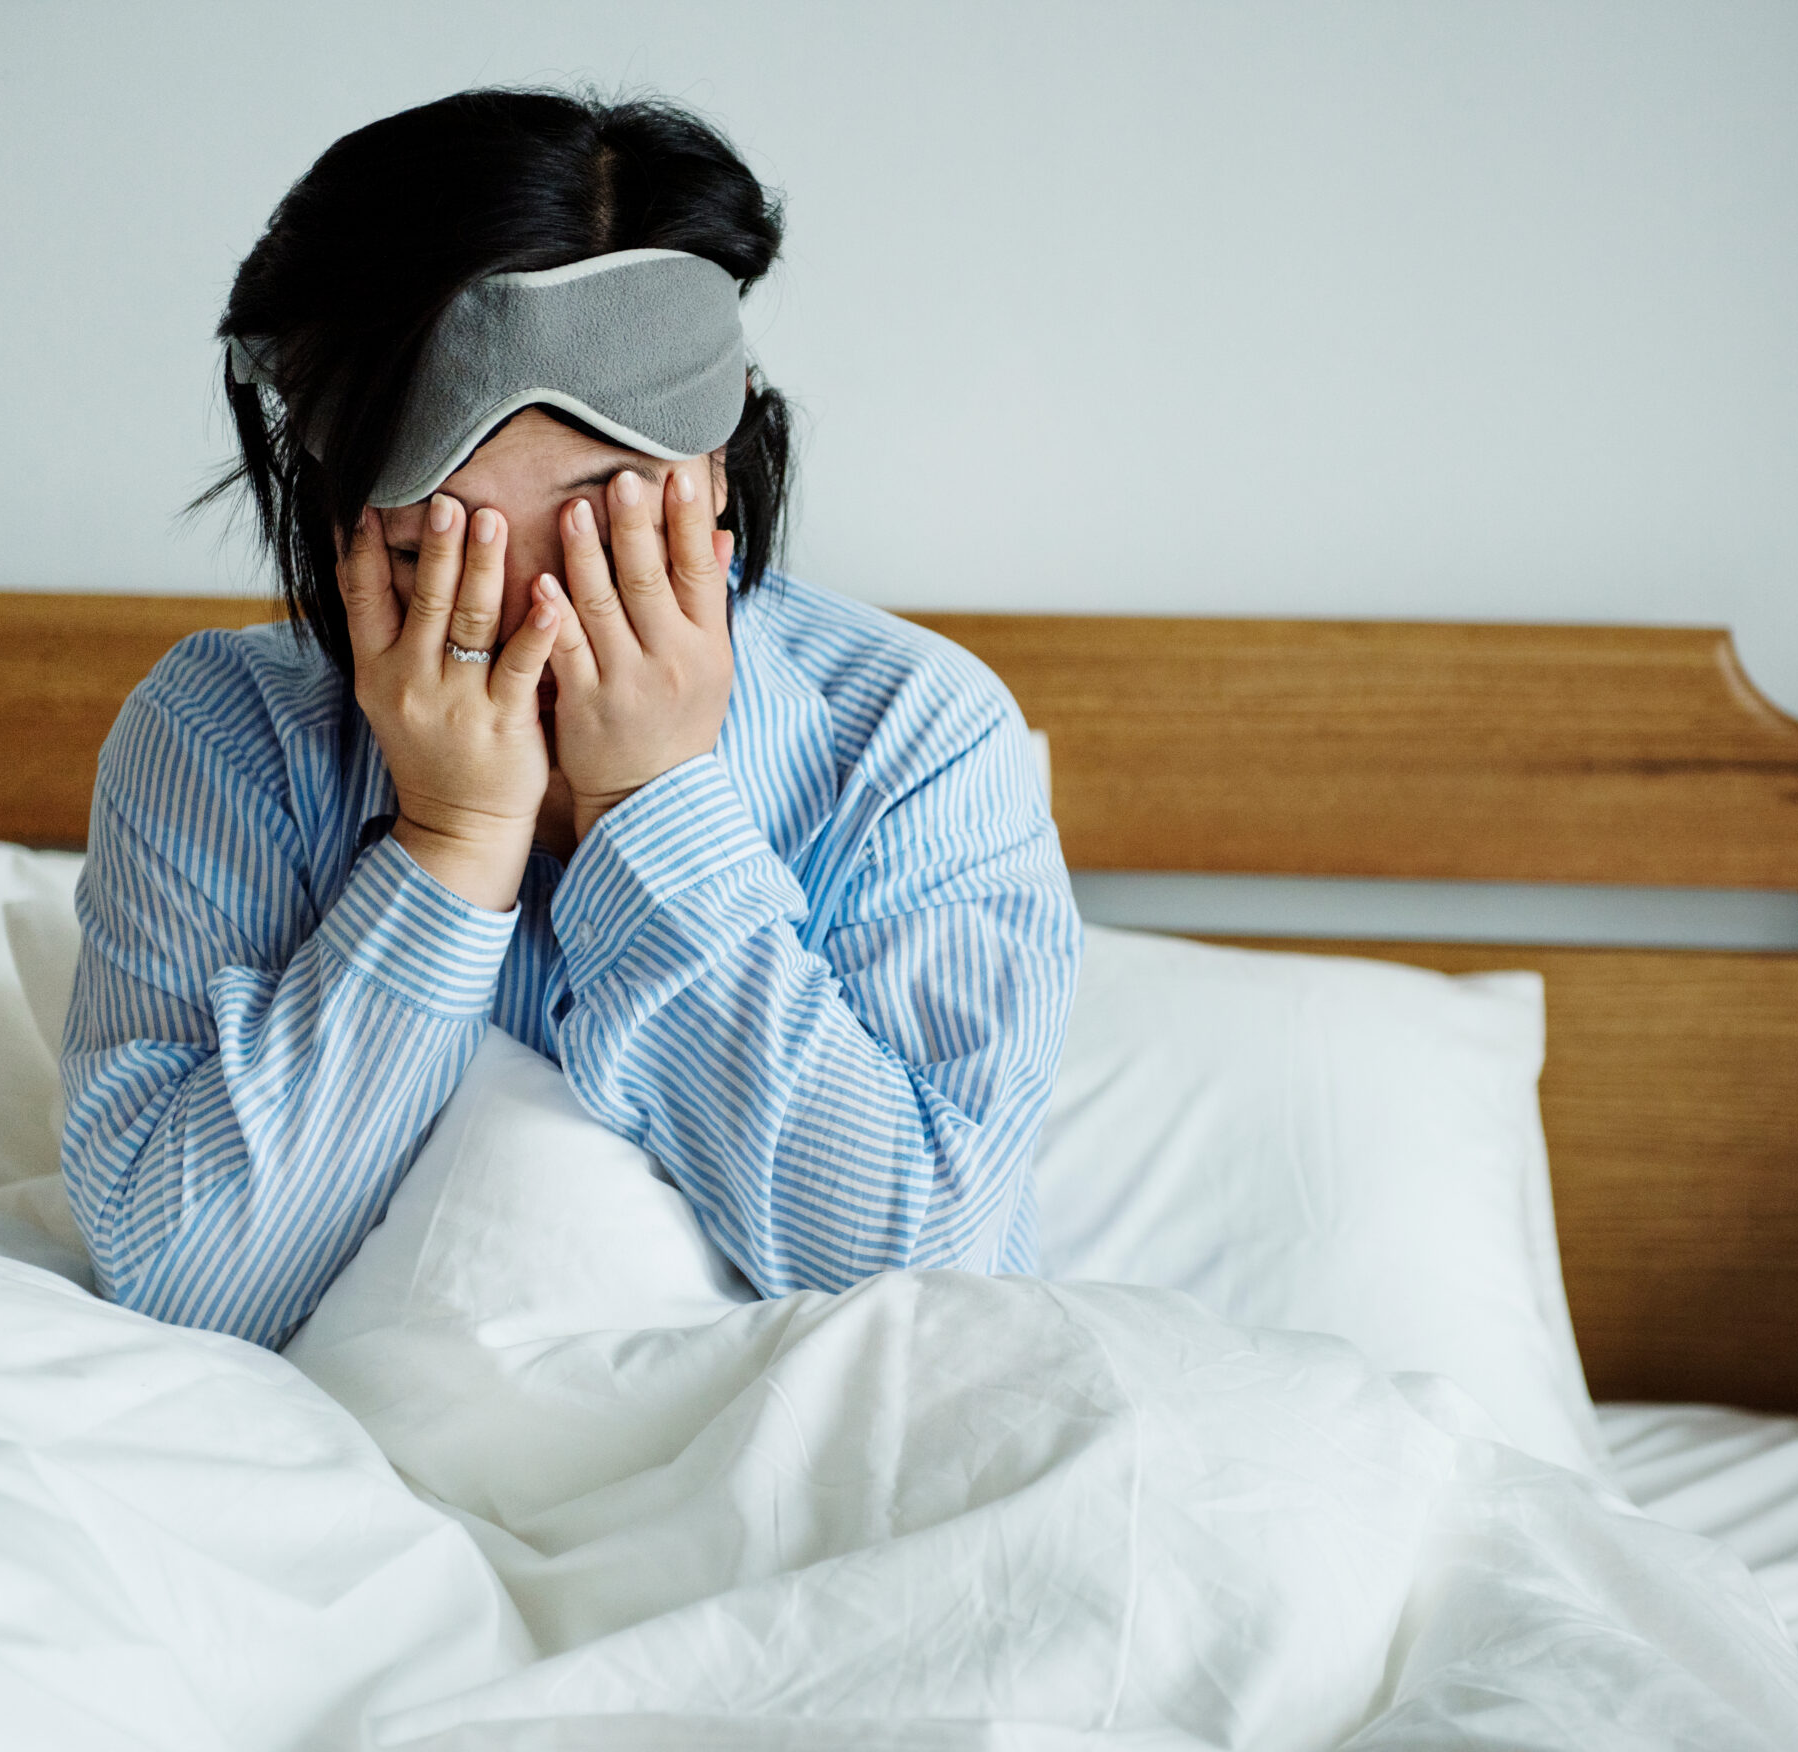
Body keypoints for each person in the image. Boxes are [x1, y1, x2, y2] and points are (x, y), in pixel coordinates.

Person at [59, 89, 1081, 1347]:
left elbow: (937, 1301)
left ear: (715, 467)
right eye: (442, 537)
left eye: (609, 523)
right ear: (338, 515)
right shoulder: (221, 737)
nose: (536, 609)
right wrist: (452, 841)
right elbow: (181, 1288)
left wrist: (650, 808)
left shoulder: (913, 734)